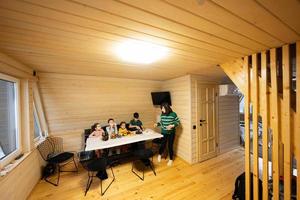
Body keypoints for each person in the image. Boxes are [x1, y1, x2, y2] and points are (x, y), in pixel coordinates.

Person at [154, 102, 180, 166]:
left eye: (162, 108)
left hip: (171, 133)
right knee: (163, 145)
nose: (162, 110)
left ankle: (171, 159)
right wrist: (157, 124)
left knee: (170, 146)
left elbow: (178, 122)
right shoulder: (162, 115)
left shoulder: (173, 114)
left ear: (166, 107)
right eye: (161, 109)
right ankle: (159, 155)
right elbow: (161, 122)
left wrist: (172, 125)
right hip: (164, 132)